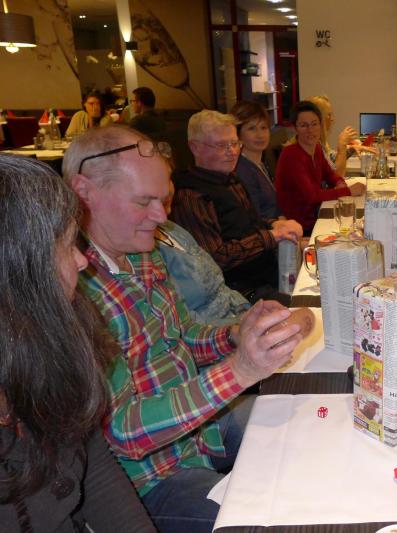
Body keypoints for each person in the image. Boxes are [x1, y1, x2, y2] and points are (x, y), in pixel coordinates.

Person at [63, 124, 305, 532]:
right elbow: (123, 432)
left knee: (300, 425)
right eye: (144, 201)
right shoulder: (73, 289)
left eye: (162, 200)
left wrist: (236, 333)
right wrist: (240, 370)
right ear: (83, 191)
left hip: (199, 433)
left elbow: (184, 337)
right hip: (148, 480)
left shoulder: (140, 250)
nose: (161, 216)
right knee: (264, 524)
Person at [0, 155, 155, 531]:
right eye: (68, 245)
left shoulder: (48, 345)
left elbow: (94, 466)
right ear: (16, 272)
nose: (83, 261)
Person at [171, 110, 302, 302]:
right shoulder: (191, 195)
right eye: (221, 145)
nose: (232, 151)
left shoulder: (231, 180)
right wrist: (272, 236)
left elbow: (247, 226)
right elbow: (215, 259)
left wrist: (274, 224)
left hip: (266, 275)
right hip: (239, 294)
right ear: (195, 148)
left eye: (234, 143)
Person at [157, 180, 250, 327]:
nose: (167, 191)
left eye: (168, 179)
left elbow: (219, 285)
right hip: (214, 334)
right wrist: (240, 324)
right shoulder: (142, 251)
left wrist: (247, 310)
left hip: (236, 318)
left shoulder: (171, 228)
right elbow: (182, 325)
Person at [275, 100, 366, 235]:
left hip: (316, 216)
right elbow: (312, 196)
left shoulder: (316, 148)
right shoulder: (291, 155)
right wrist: (348, 191)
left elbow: (330, 175)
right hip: (300, 228)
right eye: (303, 125)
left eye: (314, 124)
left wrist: (339, 182)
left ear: (320, 125)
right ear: (295, 128)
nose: (310, 130)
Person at [230, 100, 282, 220]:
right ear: (238, 134)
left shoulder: (260, 164)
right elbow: (254, 218)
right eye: (252, 128)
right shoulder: (242, 170)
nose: (260, 135)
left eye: (263, 127)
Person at [308, 94, 360, 176]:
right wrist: (342, 145)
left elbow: (330, 159)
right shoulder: (311, 146)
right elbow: (336, 177)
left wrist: (351, 149)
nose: (332, 119)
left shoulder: (319, 142)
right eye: (329, 115)